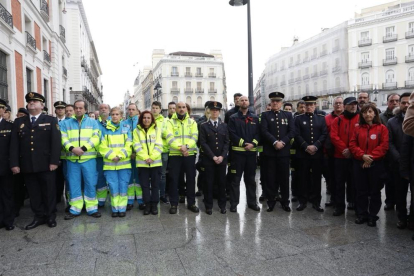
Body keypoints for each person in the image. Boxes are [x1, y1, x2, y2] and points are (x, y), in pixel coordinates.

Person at [10, 92, 61, 229]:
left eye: (35, 101)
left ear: (42, 105)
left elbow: (56, 142)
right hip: (27, 164)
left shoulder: (50, 120)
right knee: (34, 193)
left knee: (49, 191)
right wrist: (14, 163)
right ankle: (38, 216)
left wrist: (54, 161)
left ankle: (50, 216)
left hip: (46, 164)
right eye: (29, 101)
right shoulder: (19, 122)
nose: (31, 103)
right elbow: (14, 145)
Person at [349, 103, 388, 227]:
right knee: (361, 191)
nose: (367, 114)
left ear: (375, 113)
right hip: (359, 163)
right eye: (365, 112)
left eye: (370, 111)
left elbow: (384, 146)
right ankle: (362, 214)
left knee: (375, 191)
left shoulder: (382, 128)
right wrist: (362, 156)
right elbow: (352, 145)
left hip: (376, 164)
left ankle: (372, 216)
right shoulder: (357, 128)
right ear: (362, 114)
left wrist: (370, 158)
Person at [61, 100, 101, 219]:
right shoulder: (65, 123)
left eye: (81, 108)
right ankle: (75, 208)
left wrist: (83, 148)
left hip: (88, 159)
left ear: (85, 109)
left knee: (90, 183)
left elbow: (96, 138)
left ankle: (92, 208)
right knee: (73, 184)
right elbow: (63, 138)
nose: (78, 110)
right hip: (72, 159)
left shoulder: (93, 122)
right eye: (76, 108)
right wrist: (72, 148)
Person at [260, 92, 295, 212]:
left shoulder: (288, 115)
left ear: (281, 103)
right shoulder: (265, 115)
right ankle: (271, 201)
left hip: (284, 152)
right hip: (270, 152)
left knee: (284, 178)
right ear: (270, 102)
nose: (275, 103)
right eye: (273, 101)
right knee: (270, 178)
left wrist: (283, 142)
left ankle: (285, 201)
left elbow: (292, 131)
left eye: (278, 101)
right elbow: (264, 131)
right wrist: (275, 142)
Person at [294, 96, 327, 212]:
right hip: (303, 154)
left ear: (315, 105)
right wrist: (306, 146)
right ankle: (302, 201)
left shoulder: (321, 118)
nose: (309, 107)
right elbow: (296, 134)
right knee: (302, 178)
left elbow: (324, 134)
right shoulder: (298, 118)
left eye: (311, 105)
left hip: (317, 154)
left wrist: (316, 146)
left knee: (317, 178)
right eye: (307, 105)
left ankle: (316, 201)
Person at [228, 96, 261, 212]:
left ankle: (252, 203)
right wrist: (243, 144)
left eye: (246, 100)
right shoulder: (233, 118)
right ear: (238, 103)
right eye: (241, 100)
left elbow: (258, 134)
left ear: (249, 102)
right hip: (237, 154)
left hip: (251, 155)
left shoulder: (255, 118)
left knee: (251, 179)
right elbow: (232, 134)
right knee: (235, 180)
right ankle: (234, 204)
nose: (244, 102)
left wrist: (253, 144)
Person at [166, 102, 199, 214]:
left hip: (189, 154)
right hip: (175, 155)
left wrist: (187, 147)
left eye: (183, 107)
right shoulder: (170, 122)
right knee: (173, 180)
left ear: (186, 109)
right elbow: (169, 137)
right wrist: (181, 148)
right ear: (175, 109)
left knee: (190, 179)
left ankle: (191, 203)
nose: (181, 109)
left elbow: (194, 137)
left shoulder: (192, 122)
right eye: (179, 107)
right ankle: (174, 204)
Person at [99, 107, 132, 217]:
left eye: (117, 114)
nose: (114, 116)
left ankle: (122, 208)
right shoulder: (105, 129)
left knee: (123, 186)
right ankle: (114, 208)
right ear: (110, 115)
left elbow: (129, 145)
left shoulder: (126, 128)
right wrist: (113, 156)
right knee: (113, 187)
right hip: (110, 165)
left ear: (121, 116)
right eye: (112, 114)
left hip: (124, 164)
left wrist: (120, 156)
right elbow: (102, 146)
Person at [330, 97, 359, 216]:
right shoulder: (337, 120)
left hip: (355, 156)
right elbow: (333, 136)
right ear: (345, 106)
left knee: (355, 182)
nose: (353, 106)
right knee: (339, 183)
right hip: (340, 157)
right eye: (350, 104)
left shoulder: (360, 119)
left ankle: (354, 203)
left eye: (355, 104)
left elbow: (361, 135)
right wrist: (344, 149)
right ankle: (339, 206)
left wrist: (352, 150)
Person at [199, 101, 229, 215]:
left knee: (222, 183)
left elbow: (227, 142)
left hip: (221, 160)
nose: (215, 112)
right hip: (209, 160)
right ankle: (209, 206)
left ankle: (222, 206)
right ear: (209, 111)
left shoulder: (224, 126)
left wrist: (222, 156)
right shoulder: (204, 126)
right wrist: (213, 157)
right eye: (213, 110)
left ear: (219, 112)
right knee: (209, 183)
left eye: (217, 110)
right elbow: (203, 143)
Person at [388, 93, 412, 228]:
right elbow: (390, 143)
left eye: (409, 103)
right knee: (400, 194)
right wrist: (399, 158)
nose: (406, 105)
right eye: (403, 103)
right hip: (397, 164)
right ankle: (402, 218)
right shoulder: (392, 122)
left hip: (412, 163)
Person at [134, 111, 163, 215]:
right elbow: (137, 146)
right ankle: (147, 204)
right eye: (144, 118)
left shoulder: (157, 130)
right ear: (141, 119)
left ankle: (154, 204)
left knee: (155, 185)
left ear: (152, 119)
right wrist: (146, 158)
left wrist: (152, 157)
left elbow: (159, 145)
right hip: (143, 163)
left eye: (148, 118)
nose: (146, 120)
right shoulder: (136, 131)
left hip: (155, 163)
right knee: (145, 186)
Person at [380, 93, 400, 211]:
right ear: (387, 103)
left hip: (401, 153)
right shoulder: (381, 117)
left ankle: (400, 202)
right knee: (389, 180)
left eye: (397, 100)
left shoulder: (406, 116)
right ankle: (390, 202)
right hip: (387, 155)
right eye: (391, 101)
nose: (394, 103)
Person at [324, 96, 344, 207]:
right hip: (330, 153)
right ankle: (333, 199)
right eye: (336, 103)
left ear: (343, 105)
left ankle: (350, 200)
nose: (338, 105)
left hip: (345, 153)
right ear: (333, 105)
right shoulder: (327, 118)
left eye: (340, 103)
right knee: (331, 178)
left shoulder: (348, 117)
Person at [0, 99, 15, 230]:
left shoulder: (9, 126)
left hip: (5, 166)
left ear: (3, 111)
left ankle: (8, 220)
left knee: (7, 194)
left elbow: (13, 148)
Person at [125, 103, 143, 210]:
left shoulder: (141, 123)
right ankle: (130, 201)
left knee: (140, 178)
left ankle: (141, 201)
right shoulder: (123, 123)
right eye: (129, 109)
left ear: (137, 111)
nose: (131, 111)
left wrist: (136, 152)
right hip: (128, 156)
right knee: (130, 179)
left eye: (133, 109)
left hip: (139, 155)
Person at [151, 101, 170, 204]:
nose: (155, 110)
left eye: (157, 108)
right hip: (151, 151)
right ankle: (154, 194)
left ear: (160, 109)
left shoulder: (165, 121)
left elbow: (167, 133)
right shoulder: (148, 119)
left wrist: (157, 132)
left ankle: (162, 194)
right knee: (153, 174)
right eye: (153, 108)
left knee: (162, 174)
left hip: (163, 151)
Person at [96, 104, 111, 208]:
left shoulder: (114, 122)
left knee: (111, 178)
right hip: (99, 156)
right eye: (101, 108)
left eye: (105, 108)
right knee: (100, 178)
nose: (103, 110)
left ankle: (114, 200)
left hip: (111, 156)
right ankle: (101, 201)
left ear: (109, 110)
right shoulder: (94, 123)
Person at [54, 101, 67, 205]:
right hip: (55, 155)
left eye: (62, 108)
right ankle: (57, 198)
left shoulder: (70, 121)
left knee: (68, 178)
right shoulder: (51, 121)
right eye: (58, 108)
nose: (60, 110)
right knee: (56, 178)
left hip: (67, 155)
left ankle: (68, 198)